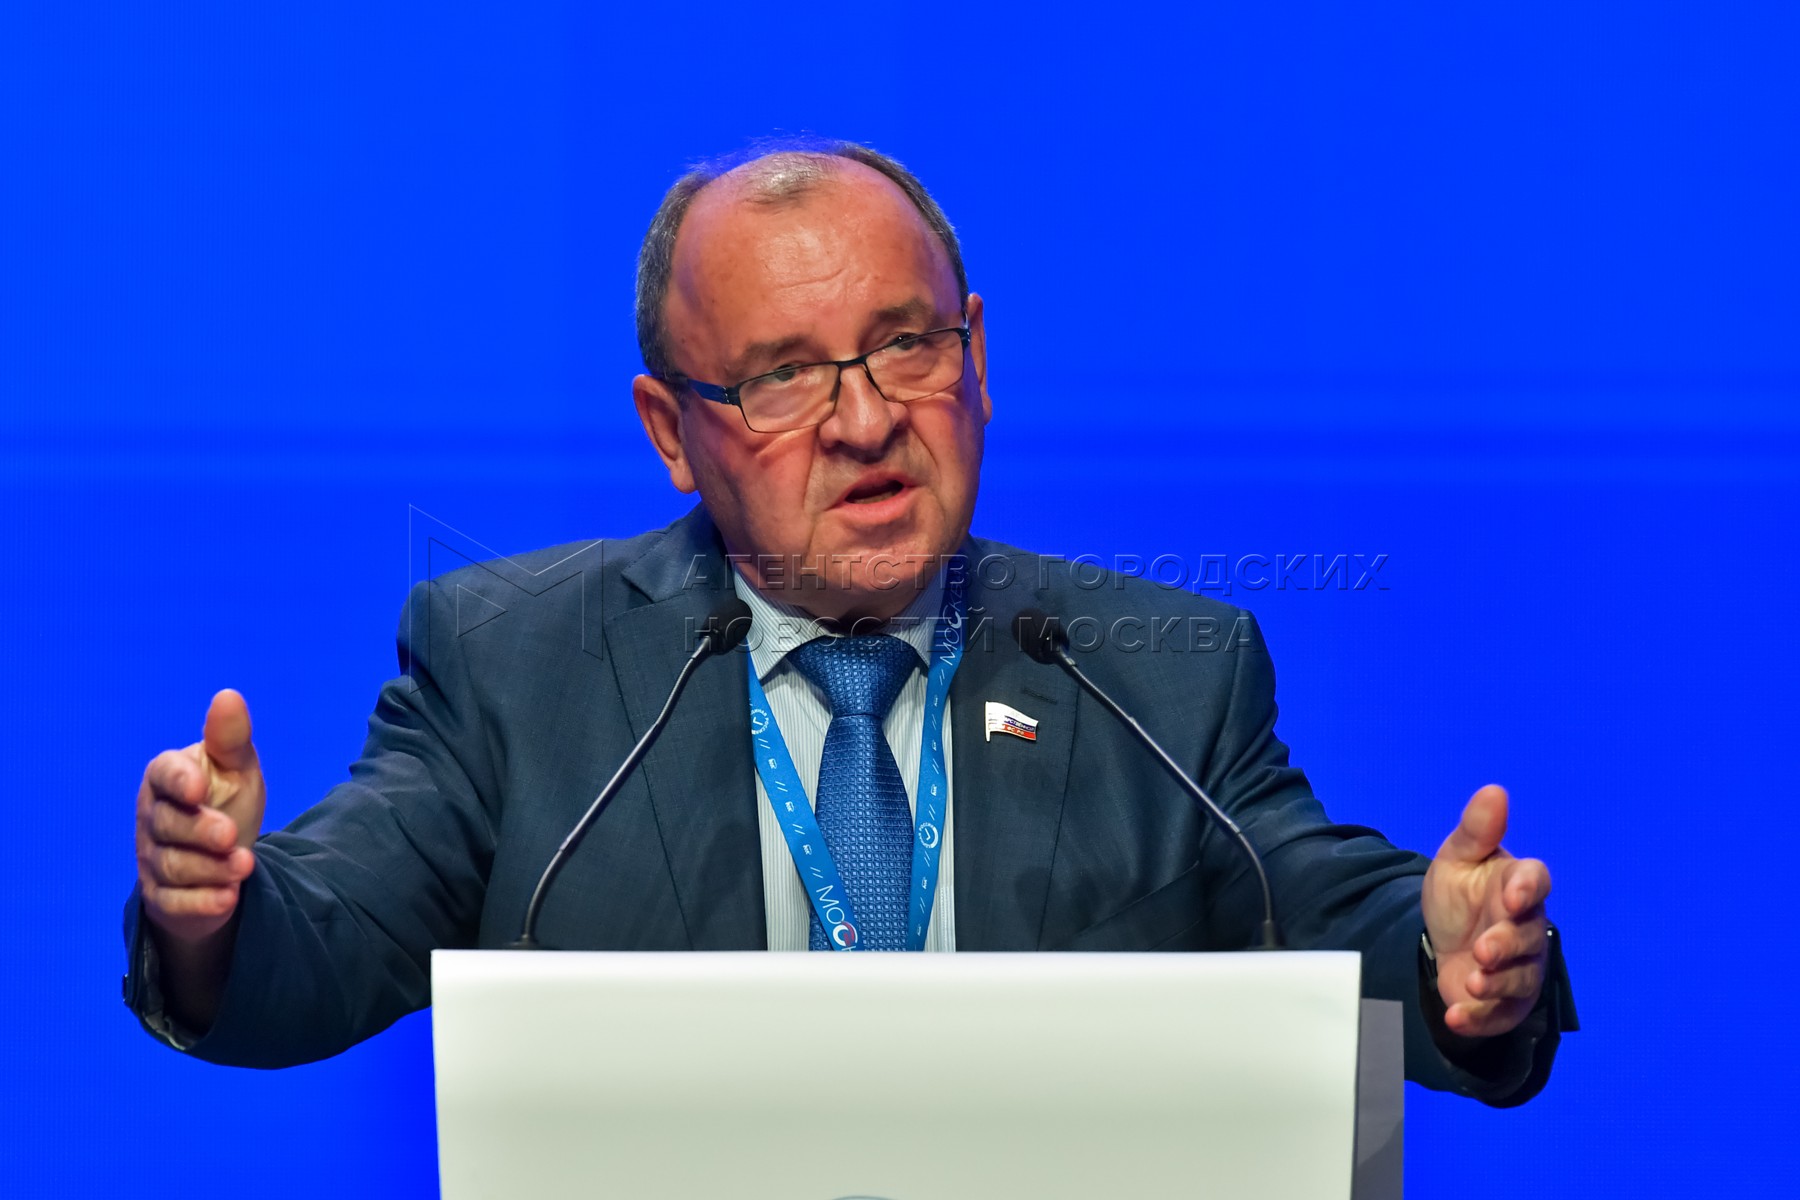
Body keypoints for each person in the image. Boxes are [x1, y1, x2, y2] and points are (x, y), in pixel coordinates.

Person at [125, 140, 1574, 1101]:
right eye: (781, 377)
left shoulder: (1151, 673)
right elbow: (330, 940)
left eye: (904, 346)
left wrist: (1449, 956)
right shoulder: (512, 663)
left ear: (977, 357)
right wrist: (215, 914)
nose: (867, 420)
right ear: (671, 432)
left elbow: (1314, 911)